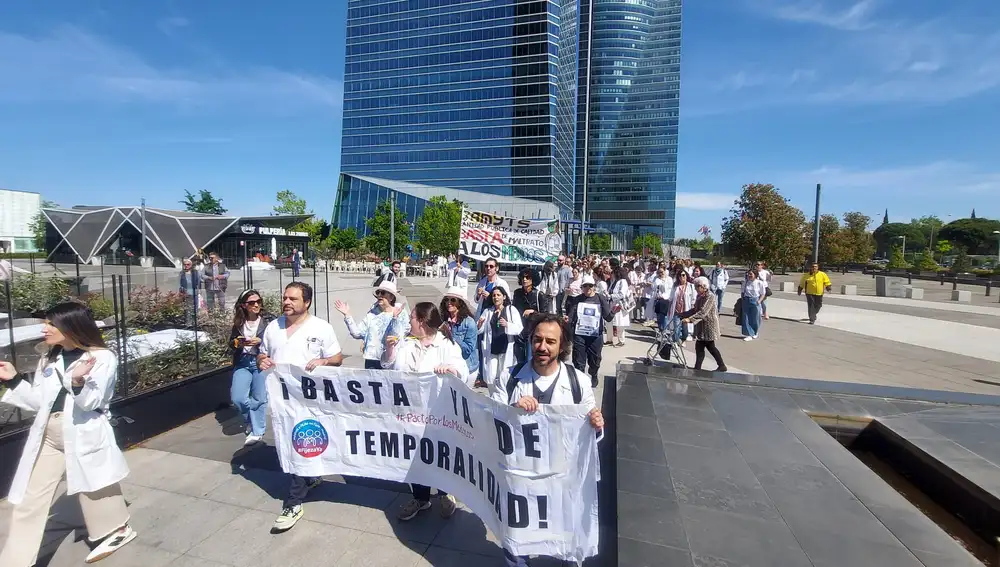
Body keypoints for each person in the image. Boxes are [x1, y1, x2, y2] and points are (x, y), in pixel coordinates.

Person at [0, 302, 136, 566]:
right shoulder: (50, 357)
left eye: (51, 324)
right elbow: (39, 402)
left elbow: (92, 401)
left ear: (71, 326)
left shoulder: (102, 357)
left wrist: (77, 382)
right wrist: (14, 380)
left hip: (83, 431)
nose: (45, 329)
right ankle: (14, 561)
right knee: (30, 499)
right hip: (49, 435)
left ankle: (118, 528)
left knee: (94, 487)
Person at [493, 314, 605, 567]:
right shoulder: (510, 378)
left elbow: (591, 433)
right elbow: (492, 419)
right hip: (521, 474)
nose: (542, 347)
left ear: (562, 345)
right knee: (517, 535)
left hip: (561, 477)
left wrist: (597, 424)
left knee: (565, 533)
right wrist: (512, 409)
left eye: (550, 341)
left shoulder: (578, 382)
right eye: (537, 339)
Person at [257, 282, 344, 532]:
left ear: (307, 302)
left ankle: (293, 503)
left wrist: (324, 361)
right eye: (285, 297)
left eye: (293, 299)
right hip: (282, 401)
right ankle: (310, 476)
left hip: (310, 402)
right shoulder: (273, 328)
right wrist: (262, 360)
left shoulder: (321, 328)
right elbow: (262, 353)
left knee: (300, 444)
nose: (286, 302)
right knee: (290, 444)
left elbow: (337, 358)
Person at [383, 302, 468, 521]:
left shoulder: (445, 344)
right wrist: (390, 350)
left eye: (411, 317)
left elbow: (463, 370)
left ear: (421, 321)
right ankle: (420, 498)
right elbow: (389, 367)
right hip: (409, 412)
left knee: (437, 454)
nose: (408, 321)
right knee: (413, 456)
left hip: (436, 414)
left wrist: (451, 370)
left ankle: (444, 493)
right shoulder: (406, 342)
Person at [227, 289, 274, 446]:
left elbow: (276, 340)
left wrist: (260, 341)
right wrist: (238, 343)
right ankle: (250, 420)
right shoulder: (239, 322)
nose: (256, 305)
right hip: (243, 362)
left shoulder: (269, 320)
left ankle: (257, 431)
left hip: (261, 361)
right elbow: (231, 343)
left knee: (259, 398)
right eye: (252, 302)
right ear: (243, 305)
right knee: (238, 398)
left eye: (258, 301)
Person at [336, 280, 410, 369]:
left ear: (391, 297)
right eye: (378, 292)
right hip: (372, 361)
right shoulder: (372, 314)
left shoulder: (401, 313)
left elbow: (397, 336)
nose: (379, 295)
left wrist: (395, 318)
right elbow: (357, 333)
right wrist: (347, 315)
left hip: (392, 360)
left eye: (383, 293)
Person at [565, 275, 614, 388]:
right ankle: (580, 381)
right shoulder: (577, 299)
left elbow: (608, 317)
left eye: (590, 286)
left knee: (595, 360)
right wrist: (567, 320)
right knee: (578, 360)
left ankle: (594, 374)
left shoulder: (600, 298)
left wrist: (613, 311)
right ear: (582, 287)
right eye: (585, 286)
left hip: (595, 335)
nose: (588, 288)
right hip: (580, 334)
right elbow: (571, 316)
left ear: (594, 286)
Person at [478, 286, 522, 394]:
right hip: (492, 349)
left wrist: (507, 325)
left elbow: (519, 328)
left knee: (504, 376)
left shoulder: (511, 310)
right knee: (491, 376)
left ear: (504, 297)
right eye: (494, 295)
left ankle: (504, 397)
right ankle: (493, 397)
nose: (496, 297)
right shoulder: (488, 311)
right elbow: (479, 329)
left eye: (498, 295)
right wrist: (479, 325)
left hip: (505, 348)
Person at [679, 277, 727, 372]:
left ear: (703, 286)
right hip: (701, 326)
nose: (695, 289)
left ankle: (721, 366)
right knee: (700, 346)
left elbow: (703, 312)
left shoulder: (710, 296)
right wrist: (684, 314)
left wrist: (690, 319)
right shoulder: (699, 296)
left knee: (710, 346)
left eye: (697, 286)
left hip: (709, 326)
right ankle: (698, 368)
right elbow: (695, 310)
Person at [440, 290, 479, 386]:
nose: (449, 303)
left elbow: (468, 350)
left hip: (467, 367)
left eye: (453, 300)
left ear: (460, 303)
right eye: (446, 300)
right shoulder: (443, 321)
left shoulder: (469, 323)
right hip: (449, 367)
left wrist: (450, 336)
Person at [512, 268, 550, 364]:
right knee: (519, 361)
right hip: (519, 331)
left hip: (532, 332)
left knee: (530, 360)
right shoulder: (517, 293)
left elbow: (546, 314)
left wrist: (533, 312)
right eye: (523, 277)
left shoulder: (539, 295)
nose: (524, 280)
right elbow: (513, 309)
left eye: (528, 277)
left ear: (533, 279)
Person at [667, 270, 697, 343]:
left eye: (683, 275)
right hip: (676, 311)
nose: (682, 277)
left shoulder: (691, 286)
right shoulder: (675, 286)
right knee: (676, 328)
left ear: (686, 276)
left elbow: (694, 298)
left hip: (686, 311)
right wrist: (669, 308)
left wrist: (693, 308)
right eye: (680, 275)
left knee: (685, 328)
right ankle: (676, 342)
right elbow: (671, 298)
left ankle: (683, 339)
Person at [609, 266, 633, 348]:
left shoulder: (623, 281)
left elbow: (622, 294)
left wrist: (611, 296)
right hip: (613, 304)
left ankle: (621, 340)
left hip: (620, 305)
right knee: (614, 322)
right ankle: (612, 339)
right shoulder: (614, 281)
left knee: (620, 323)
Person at [741, 269, 767, 341]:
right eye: (748, 274)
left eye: (751, 274)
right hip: (746, 300)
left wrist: (759, 301)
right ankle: (749, 334)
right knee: (746, 318)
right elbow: (742, 292)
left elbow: (763, 293)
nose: (749, 275)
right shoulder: (745, 282)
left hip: (755, 300)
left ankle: (755, 331)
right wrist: (743, 299)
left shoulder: (759, 283)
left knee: (755, 318)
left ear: (755, 275)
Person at [178, 257, 202, 324]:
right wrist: (181, 291)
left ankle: (195, 323)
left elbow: (198, 282)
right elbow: (179, 283)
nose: (186, 266)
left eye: (188, 264)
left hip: (194, 293)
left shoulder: (195, 272)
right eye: (185, 264)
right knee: (187, 309)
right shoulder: (182, 273)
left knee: (195, 308)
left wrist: (199, 290)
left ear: (191, 265)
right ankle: (188, 323)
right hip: (186, 293)